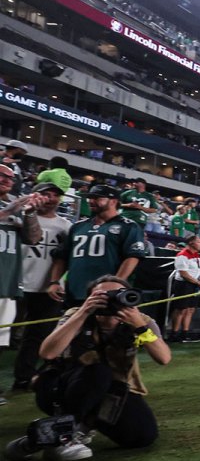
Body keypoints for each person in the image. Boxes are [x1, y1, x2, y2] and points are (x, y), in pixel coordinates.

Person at [4, 275, 170, 461]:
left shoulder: (141, 321)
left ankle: (45, 437)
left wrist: (140, 327)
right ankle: (66, 436)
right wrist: (83, 312)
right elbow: (47, 353)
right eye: (103, 295)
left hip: (112, 391)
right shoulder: (76, 314)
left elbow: (163, 358)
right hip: (60, 389)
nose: (111, 300)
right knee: (99, 371)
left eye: (117, 294)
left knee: (142, 436)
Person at [12, 183, 71, 392]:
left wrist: (59, 282)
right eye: (46, 194)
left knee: (37, 336)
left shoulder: (65, 226)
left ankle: (23, 378)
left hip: (47, 288)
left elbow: (66, 259)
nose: (51, 198)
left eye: (55, 195)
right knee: (7, 335)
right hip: (15, 284)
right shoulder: (18, 216)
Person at [49, 185, 146, 308]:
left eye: (97, 198)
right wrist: (54, 281)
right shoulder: (78, 227)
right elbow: (62, 256)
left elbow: (132, 257)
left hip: (107, 295)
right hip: (74, 292)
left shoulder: (128, 226)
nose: (91, 201)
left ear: (113, 201)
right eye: (90, 198)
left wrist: (115, 284)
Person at [0, 166, 46, 399]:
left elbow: (33, 238)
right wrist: (10, 210)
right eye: (1, 175)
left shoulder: (14, 205)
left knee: (0, 341)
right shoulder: (10, 206)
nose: (6, 180)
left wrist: (29, 213)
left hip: (7, 281)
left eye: (10, 176)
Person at [169, 234, 200, 343]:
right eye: (198, 242)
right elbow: (183, 273)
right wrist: (198, 282)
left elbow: (199, 271)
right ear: (191, 243)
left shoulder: (197, 255)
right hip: (184, 285)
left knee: (191, 309)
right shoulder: (182, 255)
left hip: (195, 285)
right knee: (181, 309)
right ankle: (174, 333)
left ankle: (185, 333)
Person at [119, 178, 158, 255]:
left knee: (134, 240)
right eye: (134, 182)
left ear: (142, 184)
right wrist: (128, 205)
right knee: (122, 237)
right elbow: (116, 203)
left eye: (136, 182)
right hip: (125, 217)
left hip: (140, 220)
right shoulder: (127, 193)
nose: (134, 183)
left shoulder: (149, 196)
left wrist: (141, 208)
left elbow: (154, 210)